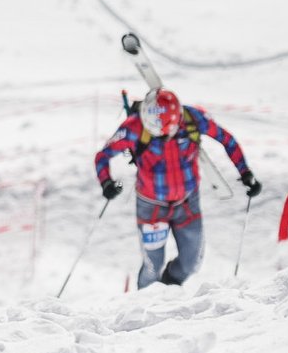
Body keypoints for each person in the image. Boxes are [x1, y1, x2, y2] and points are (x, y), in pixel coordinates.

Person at [94, 88, 262, 288]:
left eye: (166, 131)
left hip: (187, 203)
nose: (160, 135)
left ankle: (170, 288)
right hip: (152, 207)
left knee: (192, 263)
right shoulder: (134, 127)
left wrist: (245, 172)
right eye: (153, 130)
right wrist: (106, 182)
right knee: (152, 267)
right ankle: (142, 305)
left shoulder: (194, 118)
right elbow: (103, 156)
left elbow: (227, 140)